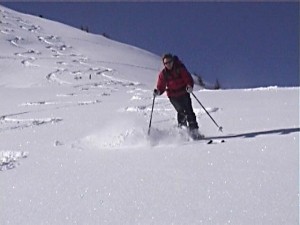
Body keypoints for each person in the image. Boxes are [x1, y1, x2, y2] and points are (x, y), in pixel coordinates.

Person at [153, 53, 203, 140]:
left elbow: (188, 78)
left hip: (184, 92)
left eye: (169, 62)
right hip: (173, 96)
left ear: (173, 61)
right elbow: (161, 86)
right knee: (181, 111)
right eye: (166, 63)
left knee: (189, 111)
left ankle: (194, 131)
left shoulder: (180, 69)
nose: (168, 64)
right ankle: (184, 133)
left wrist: (189, 86)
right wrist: (158, 92)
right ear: (164, 64)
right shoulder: (163, 74)